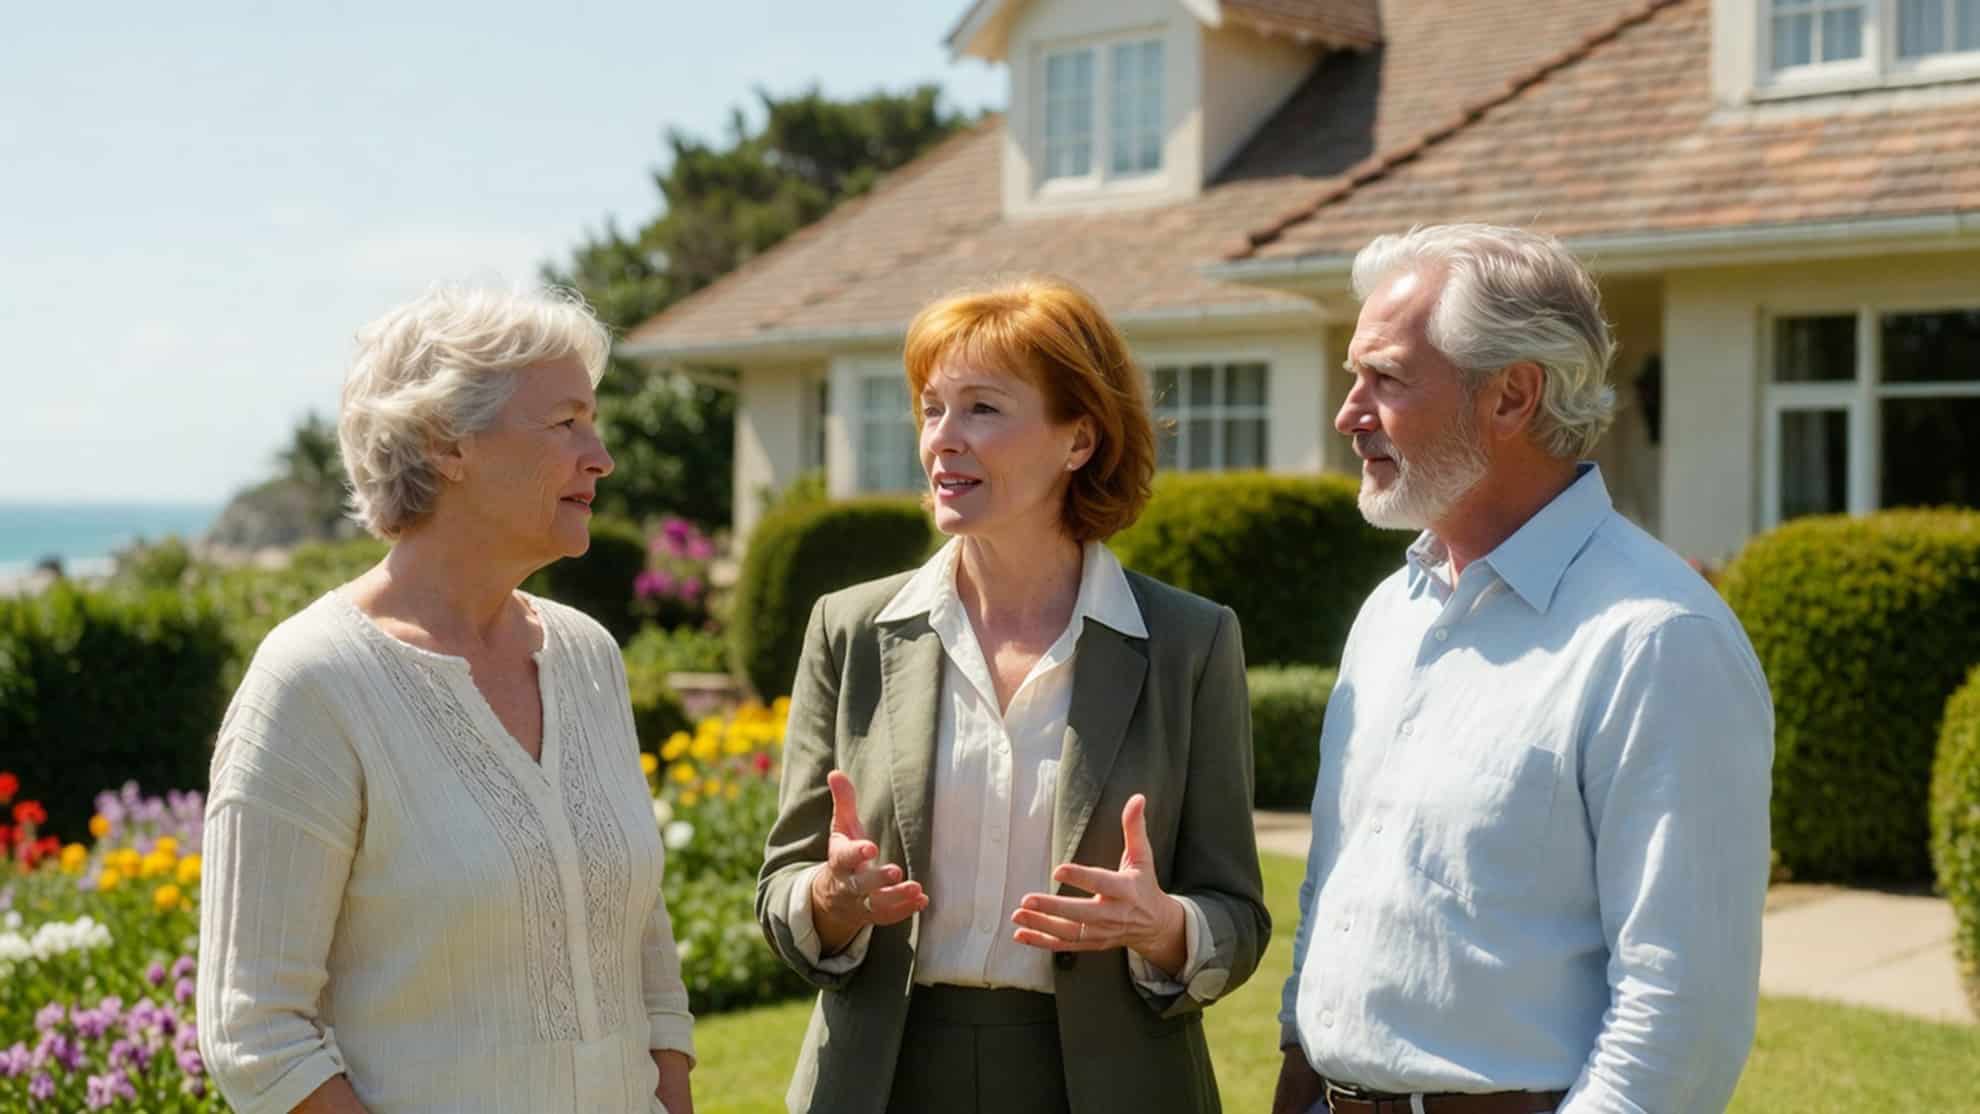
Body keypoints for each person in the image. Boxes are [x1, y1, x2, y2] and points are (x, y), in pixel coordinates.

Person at [1272, 225, 1774, 1114]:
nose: (1349, 413)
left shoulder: (1656, 640)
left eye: (1384, 378)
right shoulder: (1388, 615)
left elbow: (1681, 1018)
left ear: (1511, 396)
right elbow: (1334, 902)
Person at [754, 275, 1270, 1114]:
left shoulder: (1189, 643)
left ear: (1079, 440)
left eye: (983, 409)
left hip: (1113, 1086)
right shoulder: (848, 629)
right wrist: (829, 899)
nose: (942, 441)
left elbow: (1238, 917)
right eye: (931, 409)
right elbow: (784, 888)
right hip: (880, 1080)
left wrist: (1163, 927)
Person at [197, 287, 696, 1114]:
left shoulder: (586, 657)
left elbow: (644, 957)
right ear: (446, 442)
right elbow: (256, 1034)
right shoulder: (313, 680)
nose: (600, 455)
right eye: (565, 422)